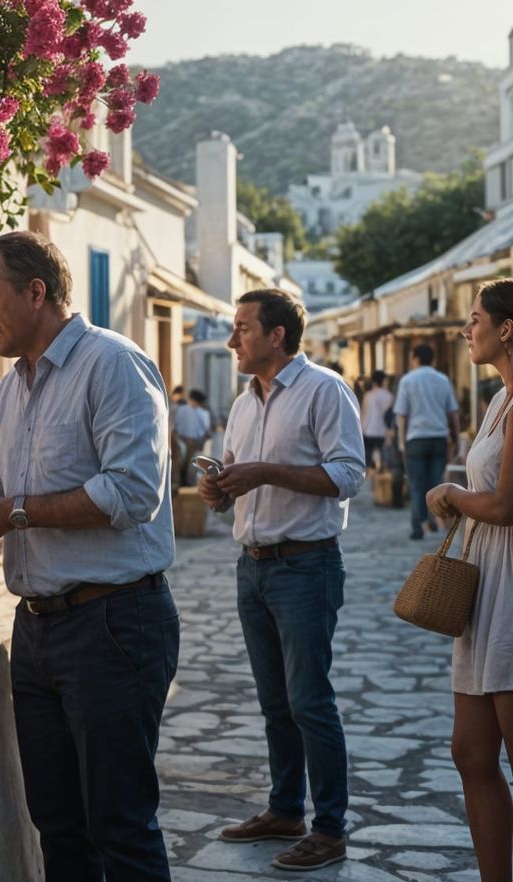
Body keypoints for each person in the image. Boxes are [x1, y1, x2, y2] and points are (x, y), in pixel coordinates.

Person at [0, 231, 178, 881]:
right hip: (40, 629)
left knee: (121, 825)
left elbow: (134, 491)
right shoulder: (11, 387)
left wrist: (12, 511)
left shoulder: (113, 365)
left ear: (36, 292)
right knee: (58, 825)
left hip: (113, 625)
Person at [198, 289, 365, 872]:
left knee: (310, 701)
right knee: (275, 703)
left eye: (242, 328)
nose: (232, 340)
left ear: (277, 335)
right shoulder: (244, 403)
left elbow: (347, 476)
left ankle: (331, 828)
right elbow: (236, 483)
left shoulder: (325, 390)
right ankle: (285, 808)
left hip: (306, 566)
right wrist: (218, 491)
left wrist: (265, 471)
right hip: (254, 566)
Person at [425, 280, 513, 882]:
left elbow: (506, 505)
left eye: (475, 318)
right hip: (487, 577)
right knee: (470, 752)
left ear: (506, 328)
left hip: (511, 580)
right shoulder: (498, 399)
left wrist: (453, 492)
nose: (465, 329)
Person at [395, 344, 461, 539]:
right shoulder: (442, 380)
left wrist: (402, 443)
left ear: (415, 358)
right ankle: (436, 523)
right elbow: (453, 413)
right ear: (432, 359)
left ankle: (418, 528)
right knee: (436, 483)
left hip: (415, 439)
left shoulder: (407, 381)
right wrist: (455, 439)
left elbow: (402, 416)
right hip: (439, 438)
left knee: (416, 485)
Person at [174, 389, 213, 486]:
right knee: (192, 466)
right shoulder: (204, 413)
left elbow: (175, 425)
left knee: (180, 466)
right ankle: (189, 485)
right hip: (196, 442)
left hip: (181, 440)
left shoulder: (180, 409)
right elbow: (206, 430)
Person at [360, 370, 393, 469]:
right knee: (383, 460)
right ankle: (382, 478)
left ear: (373, 381)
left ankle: (371, 481)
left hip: (368, 431)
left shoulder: (368, 395)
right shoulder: (389, 396)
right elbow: (389, 416)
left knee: (369, 461)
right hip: (382, 432)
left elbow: (364, 414)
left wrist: (361, 429)